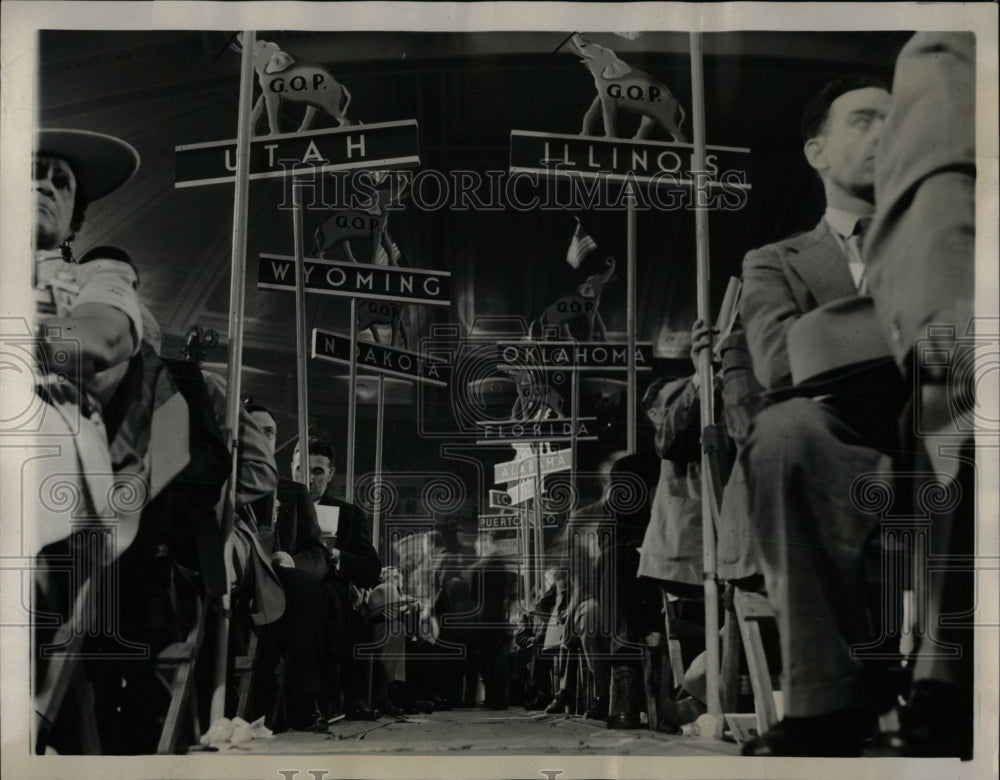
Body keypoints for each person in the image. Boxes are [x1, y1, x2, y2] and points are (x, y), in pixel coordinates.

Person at [737, 76, 909, 756]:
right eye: (864, 120)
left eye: (898, 123)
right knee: (780, 434)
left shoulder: (956, 242)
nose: (885, 134)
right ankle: (825, 698)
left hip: (949, 426)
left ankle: (950, 686)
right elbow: (780, 364)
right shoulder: (775, 262)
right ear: (817, 151)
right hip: (836, 440)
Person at [863, 32, 976, 759]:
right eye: (860, 120)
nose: (878, 131)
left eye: (884, 117)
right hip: (941, 345)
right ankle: (940, 666)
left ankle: (942, 664)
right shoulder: (946, 53)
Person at [243, 405, 332, 731]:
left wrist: (294, 561)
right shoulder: (226, 478)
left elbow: (316, 550)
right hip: (239, 571)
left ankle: (303, 701)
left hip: (281, 576)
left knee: (308, 590)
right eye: (254, 429)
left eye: (269, 432)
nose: (263, 437)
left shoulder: (294, 492)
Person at [291, 437, 382, 720]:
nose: (309, 478)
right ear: (291, 468)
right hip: (285, 586)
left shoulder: (349, 515)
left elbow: (371, 568)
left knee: (332, 605)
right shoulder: (277, 504)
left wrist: (339, 555)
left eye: (318, 471)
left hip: (332, 592)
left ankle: (321, 697)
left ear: (330, 474)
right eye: (302, 470)